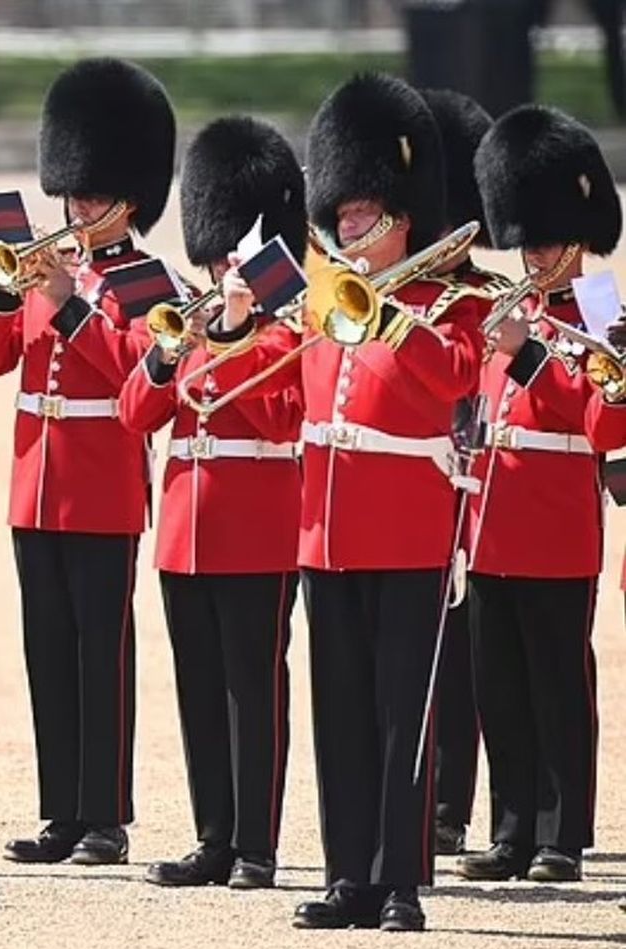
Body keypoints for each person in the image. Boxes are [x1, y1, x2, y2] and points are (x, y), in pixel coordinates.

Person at [206, 73, 488, 931]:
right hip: (326, 532)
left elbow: (451, 380)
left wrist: (392, 318)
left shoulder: (456, 302)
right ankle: (348, 877)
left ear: (401, 215)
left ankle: (400, 880)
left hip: (406, 529)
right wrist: (231, 329)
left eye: (363, 213)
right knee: (344, 715)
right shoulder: (326, 305)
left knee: (405, 717)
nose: (346, 226)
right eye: (345, 212)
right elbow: (275, 403)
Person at [0, 57, 176, 866]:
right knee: (46, 648)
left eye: (92, 195)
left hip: (102, 485)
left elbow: (135, 369)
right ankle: (60, 810)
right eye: (72, 193)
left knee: (100, 653)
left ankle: (105, 815)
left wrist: (70, 303)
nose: (78, 207)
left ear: (129, 198)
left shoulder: (149, 280)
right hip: (35, 484)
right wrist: (7, 294)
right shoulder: (42, 270)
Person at [123, 116, 303, 890]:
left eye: (239, 243)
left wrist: (230, 334)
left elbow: (282, 414)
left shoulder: (287, 329)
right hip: (186, 531)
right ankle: (214, 837)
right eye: (220, 243)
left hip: (255, 531)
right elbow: (137, 412)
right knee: (199, 685)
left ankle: (257, 844)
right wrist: (168, 353)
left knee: (252, 687)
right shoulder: (189, 319)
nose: (228, 258)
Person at [456, 103, 619, 885]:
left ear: (580, 233)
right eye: (528, 238)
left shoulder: (604, 310)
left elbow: (601, 420)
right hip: (492, 521)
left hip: (556, 522)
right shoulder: (507, 306)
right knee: (501, 687)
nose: (539, 251)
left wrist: (526, 362)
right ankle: (512, 827)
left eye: (550, 237)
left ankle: (562, 834)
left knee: (558, 683)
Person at [419, 87, 509, 858]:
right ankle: (433, 800)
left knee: (480, 658)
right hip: (421, 483)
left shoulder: (483, 296)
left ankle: (465, 801)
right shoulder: (404, 295)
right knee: (431, 651)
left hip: (488, 489)